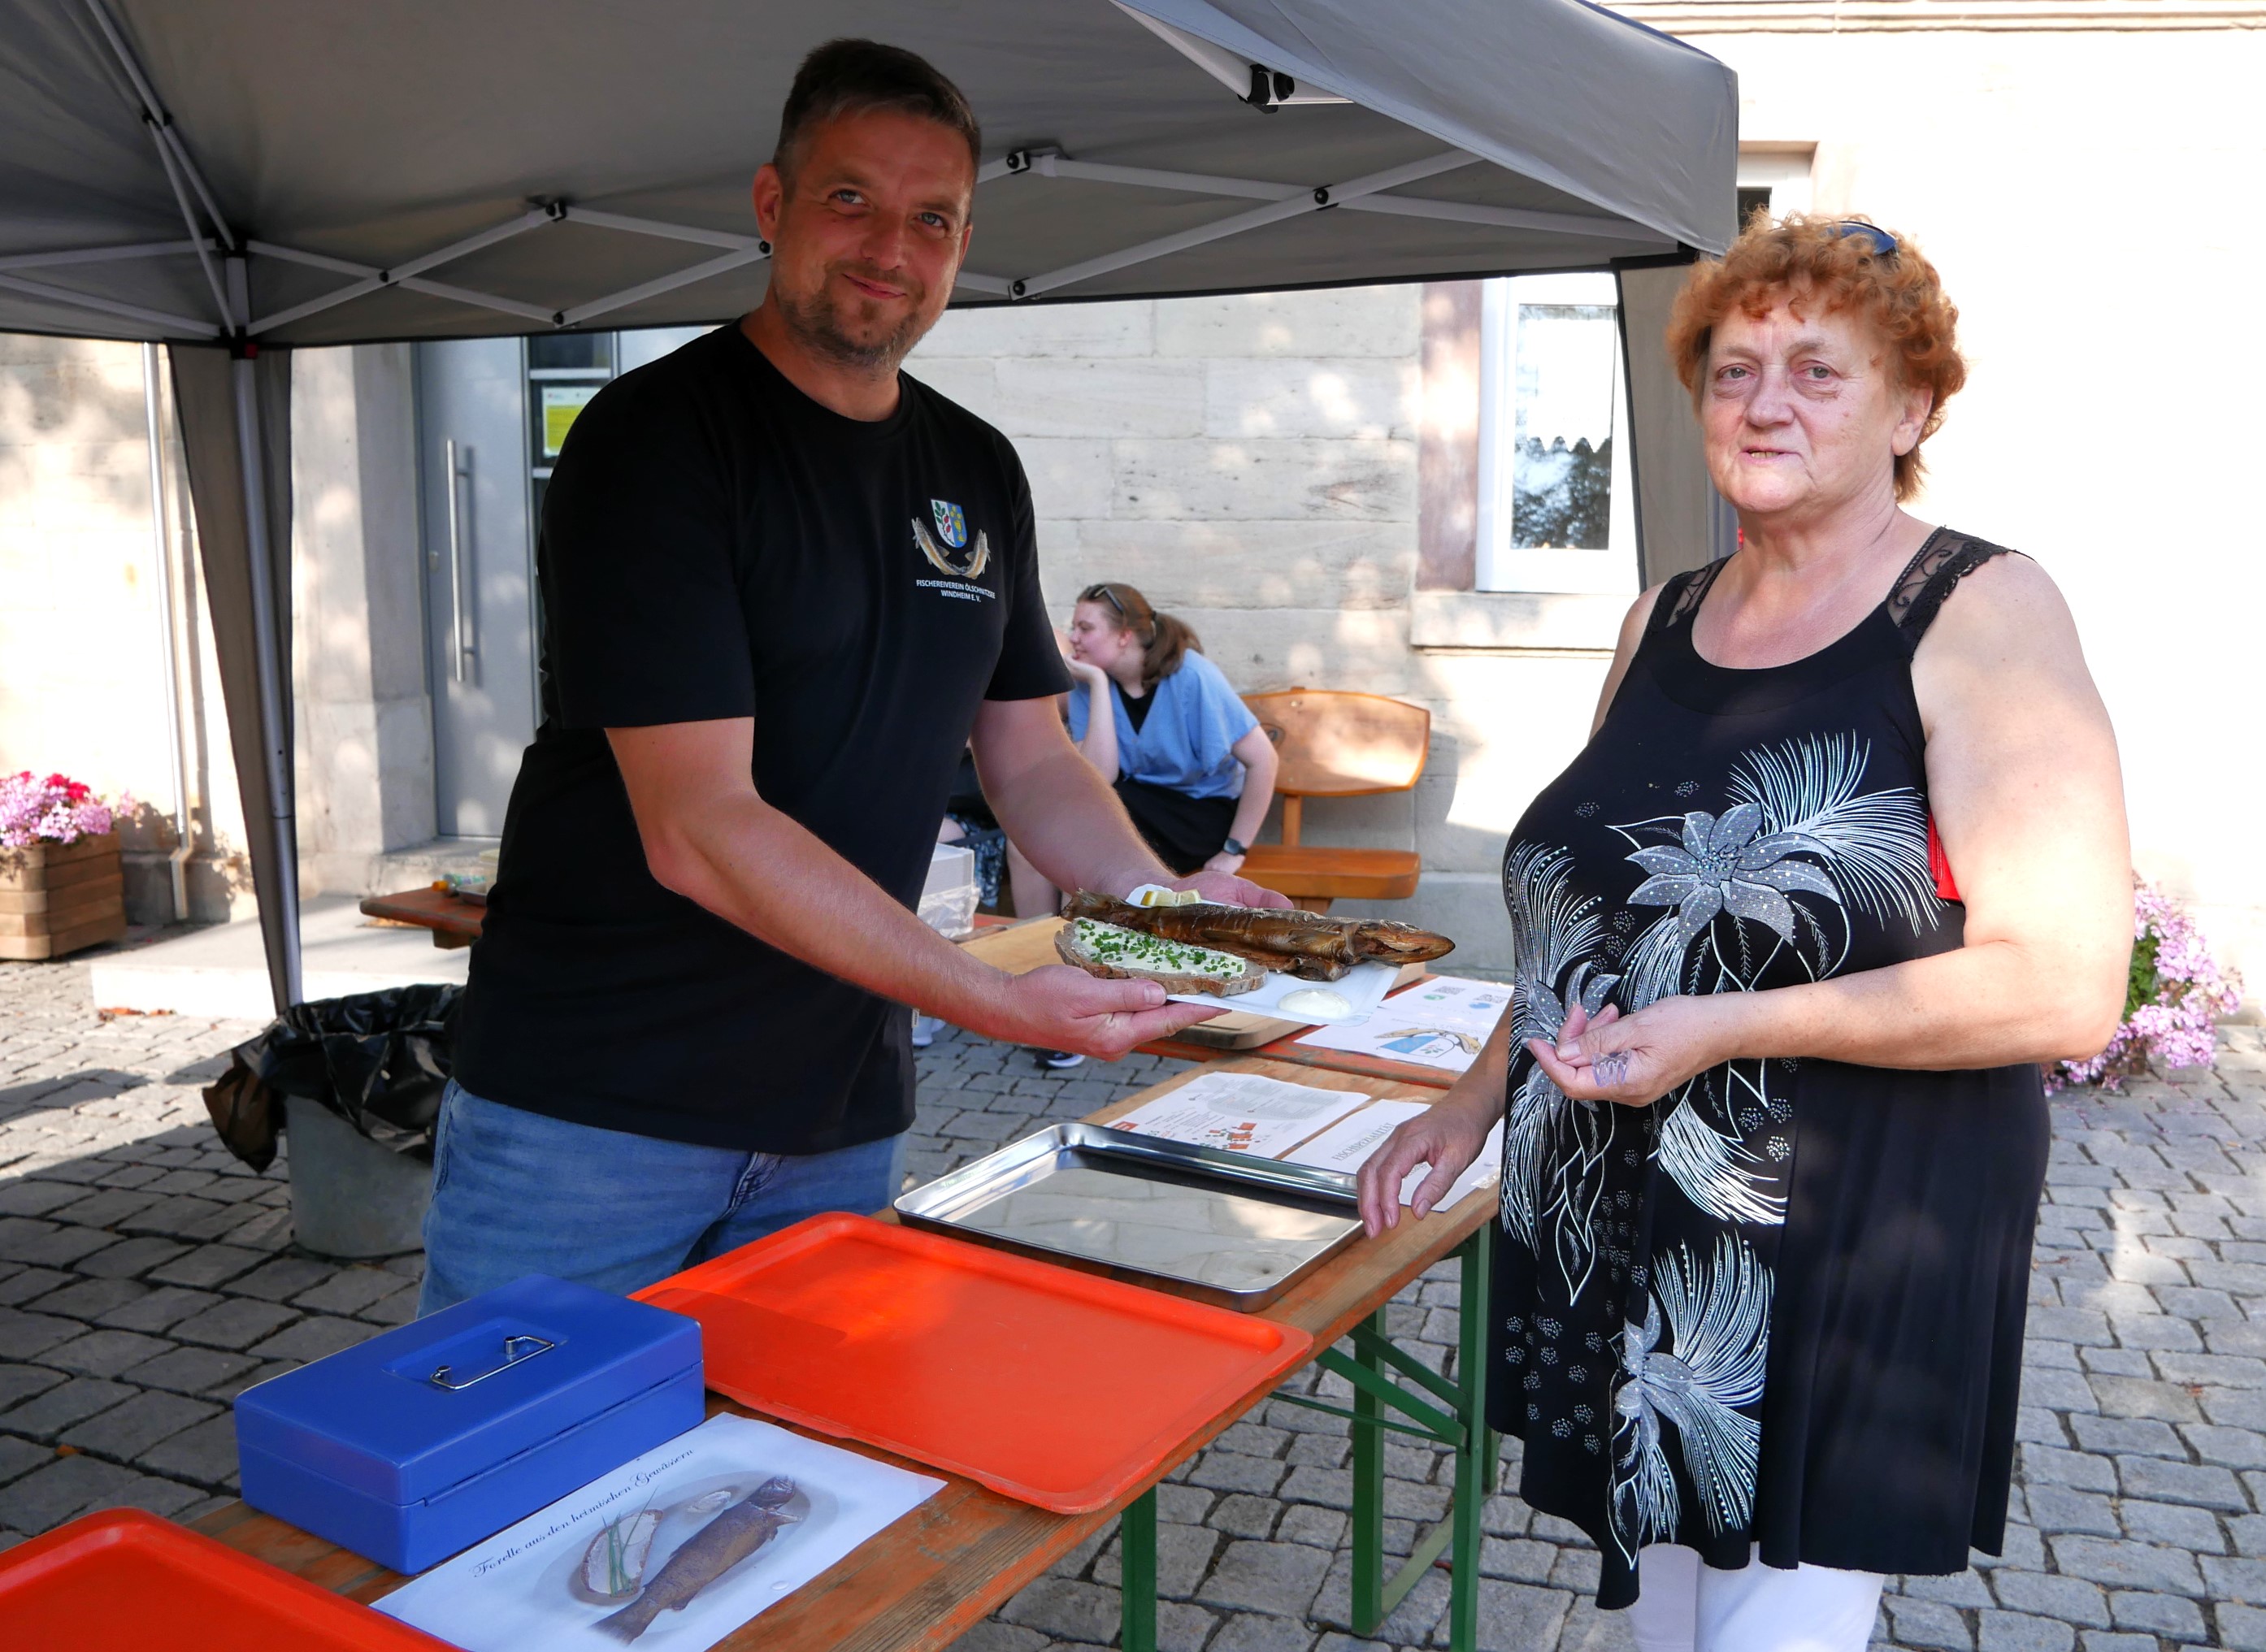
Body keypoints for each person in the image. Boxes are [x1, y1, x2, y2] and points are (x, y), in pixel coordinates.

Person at [1354, 216, 2129, 1650]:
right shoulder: (1662, 613)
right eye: (1731, 368)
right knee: (1666, 1619)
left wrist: (1729, 1025)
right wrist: (1471, 1103)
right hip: (1627, 1213)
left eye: (1817, 371)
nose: (1763, 400)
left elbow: (2066, 984)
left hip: (1845, 1236)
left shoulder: (1978, 609)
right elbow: (1578, 926)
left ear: (1910, 408)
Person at [425, 40, 1286, 1315]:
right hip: (596, 1107)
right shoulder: (657, 441)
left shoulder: (977, 467)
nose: (891, 246)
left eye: (931, 218)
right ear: (772, 204)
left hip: (835, 1113)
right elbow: (698, 827)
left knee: (789, 1498)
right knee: (516, 1491)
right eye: (851, 200)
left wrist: (1166, 903)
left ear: (963, 239)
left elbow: (1032, 755)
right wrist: (998, 999)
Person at [1009, 582, 1279, 914]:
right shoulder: (1088, 681)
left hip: (1197, 813)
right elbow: (1100, 775)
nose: (1074, 637)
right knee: (1039, 832)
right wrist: (1096, 684)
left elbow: (1264, 760)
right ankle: (1036, 940)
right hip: (1134, 803)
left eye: (1086, 628)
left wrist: (1234, 850)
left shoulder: (1192, 676)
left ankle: (1074, 943)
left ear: (1124, 635)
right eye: (1073, 627)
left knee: (1084, 832)